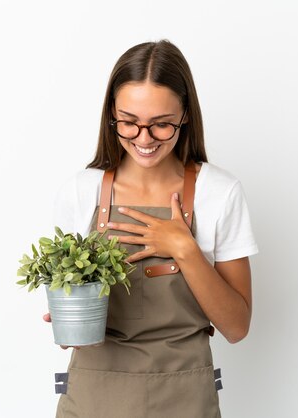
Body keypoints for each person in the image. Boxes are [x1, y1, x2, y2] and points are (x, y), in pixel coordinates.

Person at [43, 39, 258, 418]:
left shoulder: (218, 192)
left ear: (186, 115)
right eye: (128, 122)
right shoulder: (81, 191)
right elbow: (71, 303)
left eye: (161, 125)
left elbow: (237, 326)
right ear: (112, 113)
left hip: (184, 394)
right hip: (96, 394)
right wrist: (69, 316)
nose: (143, 139)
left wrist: (185, 250)